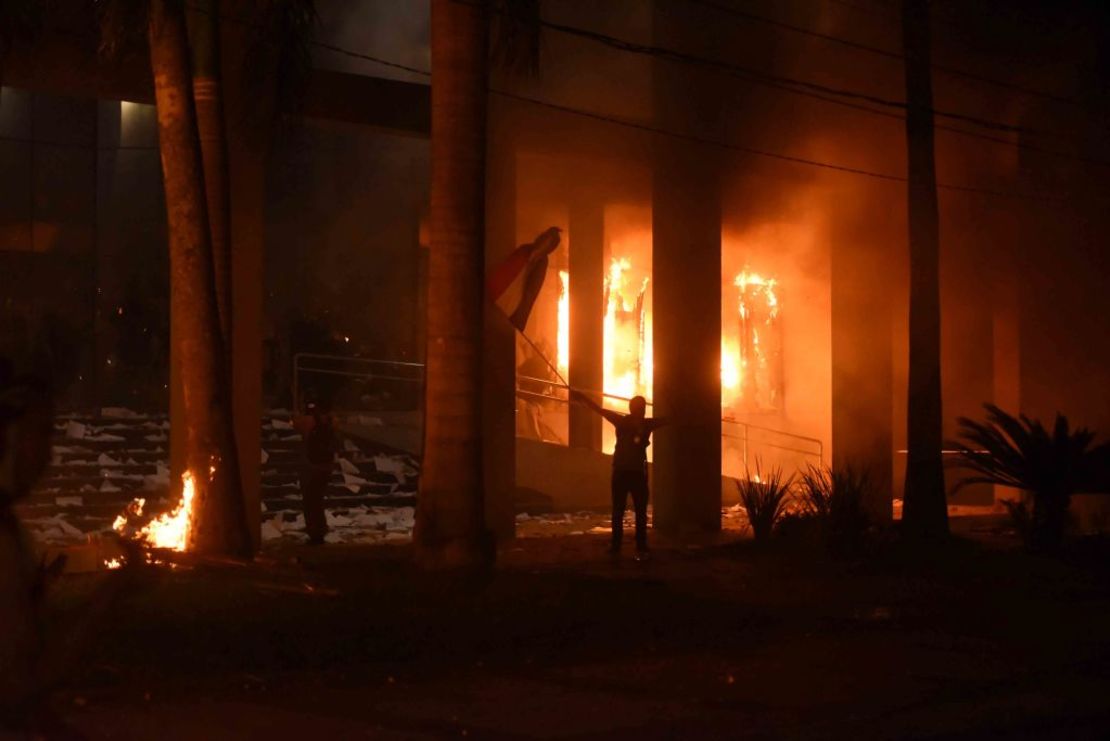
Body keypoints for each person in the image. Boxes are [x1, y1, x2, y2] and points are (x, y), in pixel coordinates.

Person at [569, 389, 667, 560]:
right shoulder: (642, 424)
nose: (642, 411)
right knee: (634, 511)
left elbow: (598, 409)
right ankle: (638, 546)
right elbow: (668, 420)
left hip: (623, 472)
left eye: (642, 408)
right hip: (633, 473)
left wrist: (582, 397)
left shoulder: (623, 422)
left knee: (620, 511)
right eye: (641, 408)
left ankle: (619, 547)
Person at [293, 397, 338, 545]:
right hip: (327, 465)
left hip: (312, 465)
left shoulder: (308, 422)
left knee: (310, 501)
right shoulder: (331, 421)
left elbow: (295, 424)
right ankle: (320, 529)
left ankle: (314, 531)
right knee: (318, 499)